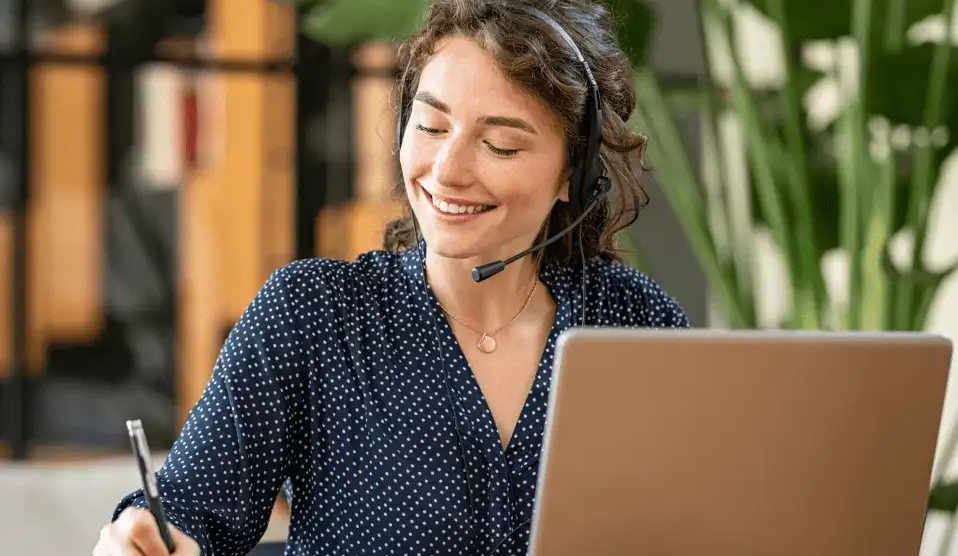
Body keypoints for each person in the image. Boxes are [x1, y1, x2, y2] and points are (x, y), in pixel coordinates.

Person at [93, 0, 689, 554]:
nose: (447, 171)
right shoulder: (315, 314)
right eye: (430, 128)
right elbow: (186, 516)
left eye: (501, 145)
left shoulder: (634, 321)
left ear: (574, 177)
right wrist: (143, 535)